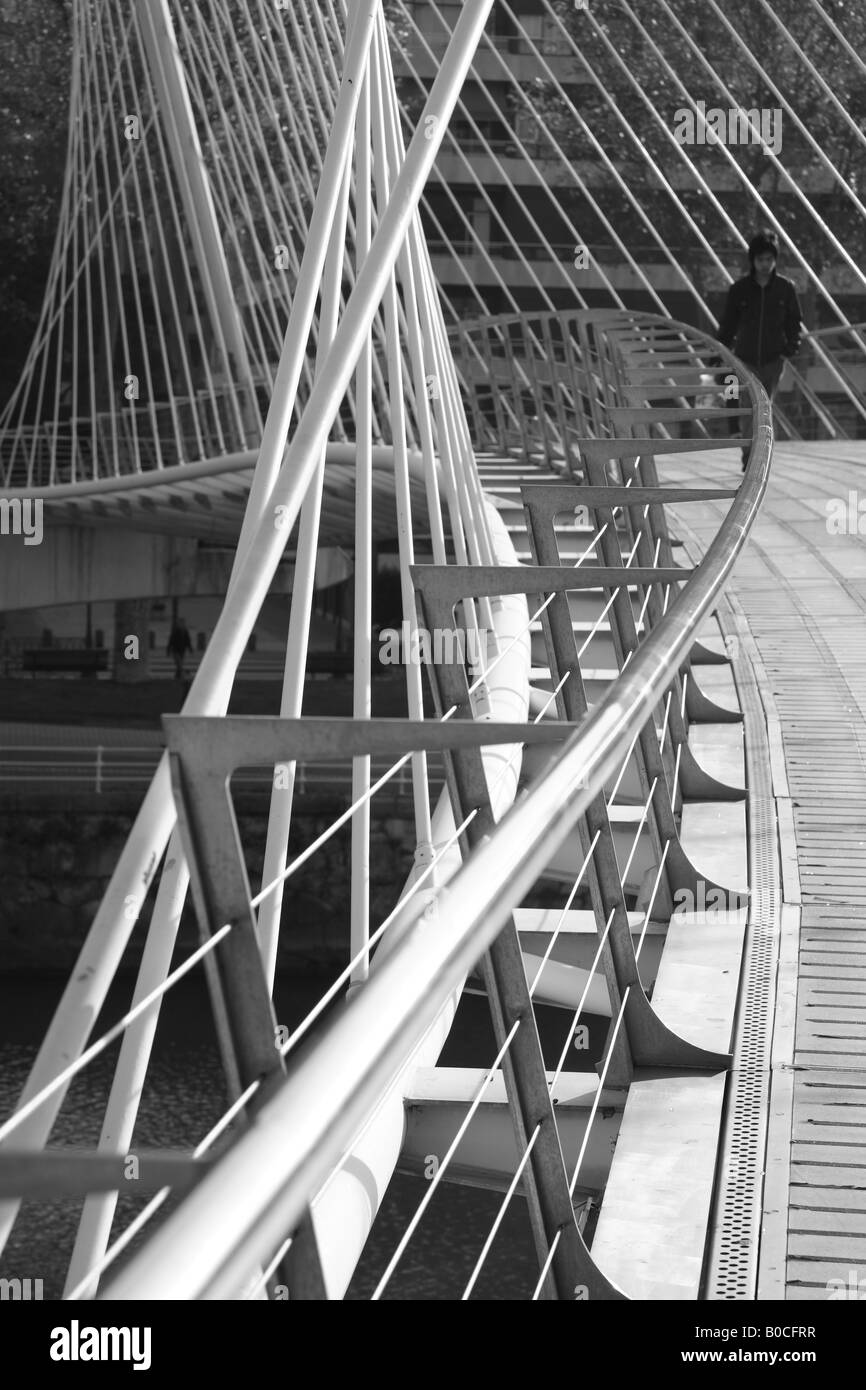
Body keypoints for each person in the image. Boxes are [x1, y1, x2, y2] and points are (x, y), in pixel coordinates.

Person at [715, 228, 803, 469]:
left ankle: (758, 458)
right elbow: (728, 324)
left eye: (769, 259)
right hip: (744, 359)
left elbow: (794, 322)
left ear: (775, 260)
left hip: (774, 360)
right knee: (746, 406)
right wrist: (719, 352)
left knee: (764, 409)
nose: (765, 264)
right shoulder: (739, 290)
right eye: (760, 259)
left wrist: (789, 349)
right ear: (752, 260)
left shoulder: (786, 289)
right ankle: (749, 457)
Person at [166, 615, 192, 680]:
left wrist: (190, 648)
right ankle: (182, 675)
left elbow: (188, 640)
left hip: (182, 650)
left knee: (179, 664)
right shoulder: (175, 631)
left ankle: (177, 676)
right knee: (179, 664)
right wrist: (168, 650)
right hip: (176, 650)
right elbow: (171, 641)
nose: (182, 624)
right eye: (181, 623)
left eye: (183, 623)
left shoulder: (185, 631)